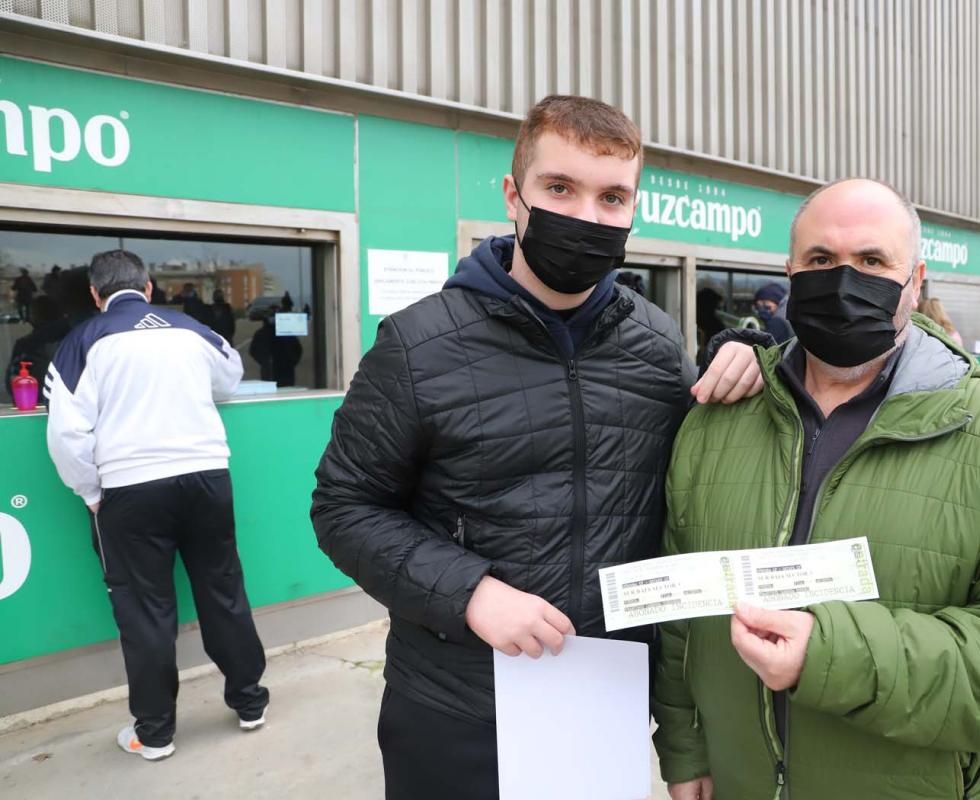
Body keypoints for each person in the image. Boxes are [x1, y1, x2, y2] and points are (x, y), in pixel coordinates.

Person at [310, 95, 763, 800]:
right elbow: (345, 507)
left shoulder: (654, 344)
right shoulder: (418, 345)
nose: (586, 216)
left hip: (602, 699)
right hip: (457, 705)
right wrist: (470, 594)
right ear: (513, 196)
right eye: (560, 188)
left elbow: (700, 487)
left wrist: (757, 354)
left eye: (612, 196)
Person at [653, 179, 980, 800]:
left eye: (871, 261)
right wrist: (685, 749)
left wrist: (835, 660)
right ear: (789, 273)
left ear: (914, 280)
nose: (843, 282)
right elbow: (681, 612)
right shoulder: (715, 423)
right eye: (819, 261)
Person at [45, 250, 269, 762]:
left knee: (146, 612)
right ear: (148, 288)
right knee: (223, 590)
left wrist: (91, 492)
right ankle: (251, 703)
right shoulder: (188, 327)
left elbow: (65, 434)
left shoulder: (82, 340)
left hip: (131, 488)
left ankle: (155, 733)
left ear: (96, 295)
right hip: (207, 477)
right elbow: (229, 377)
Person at [6, 295, 68, 405]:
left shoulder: (26, 345)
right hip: (65, 406)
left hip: (32, 406)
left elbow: (12, 382)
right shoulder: (73, 341)